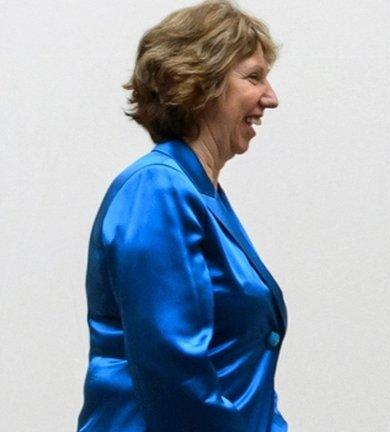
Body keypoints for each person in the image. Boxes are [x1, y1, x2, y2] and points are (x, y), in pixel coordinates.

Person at [77, 2, 287, 431]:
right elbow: (175, 374)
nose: (271, 97)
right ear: (201, 84)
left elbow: (239, 372)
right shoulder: (157, 190)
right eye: (253, 77)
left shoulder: (198, 192)